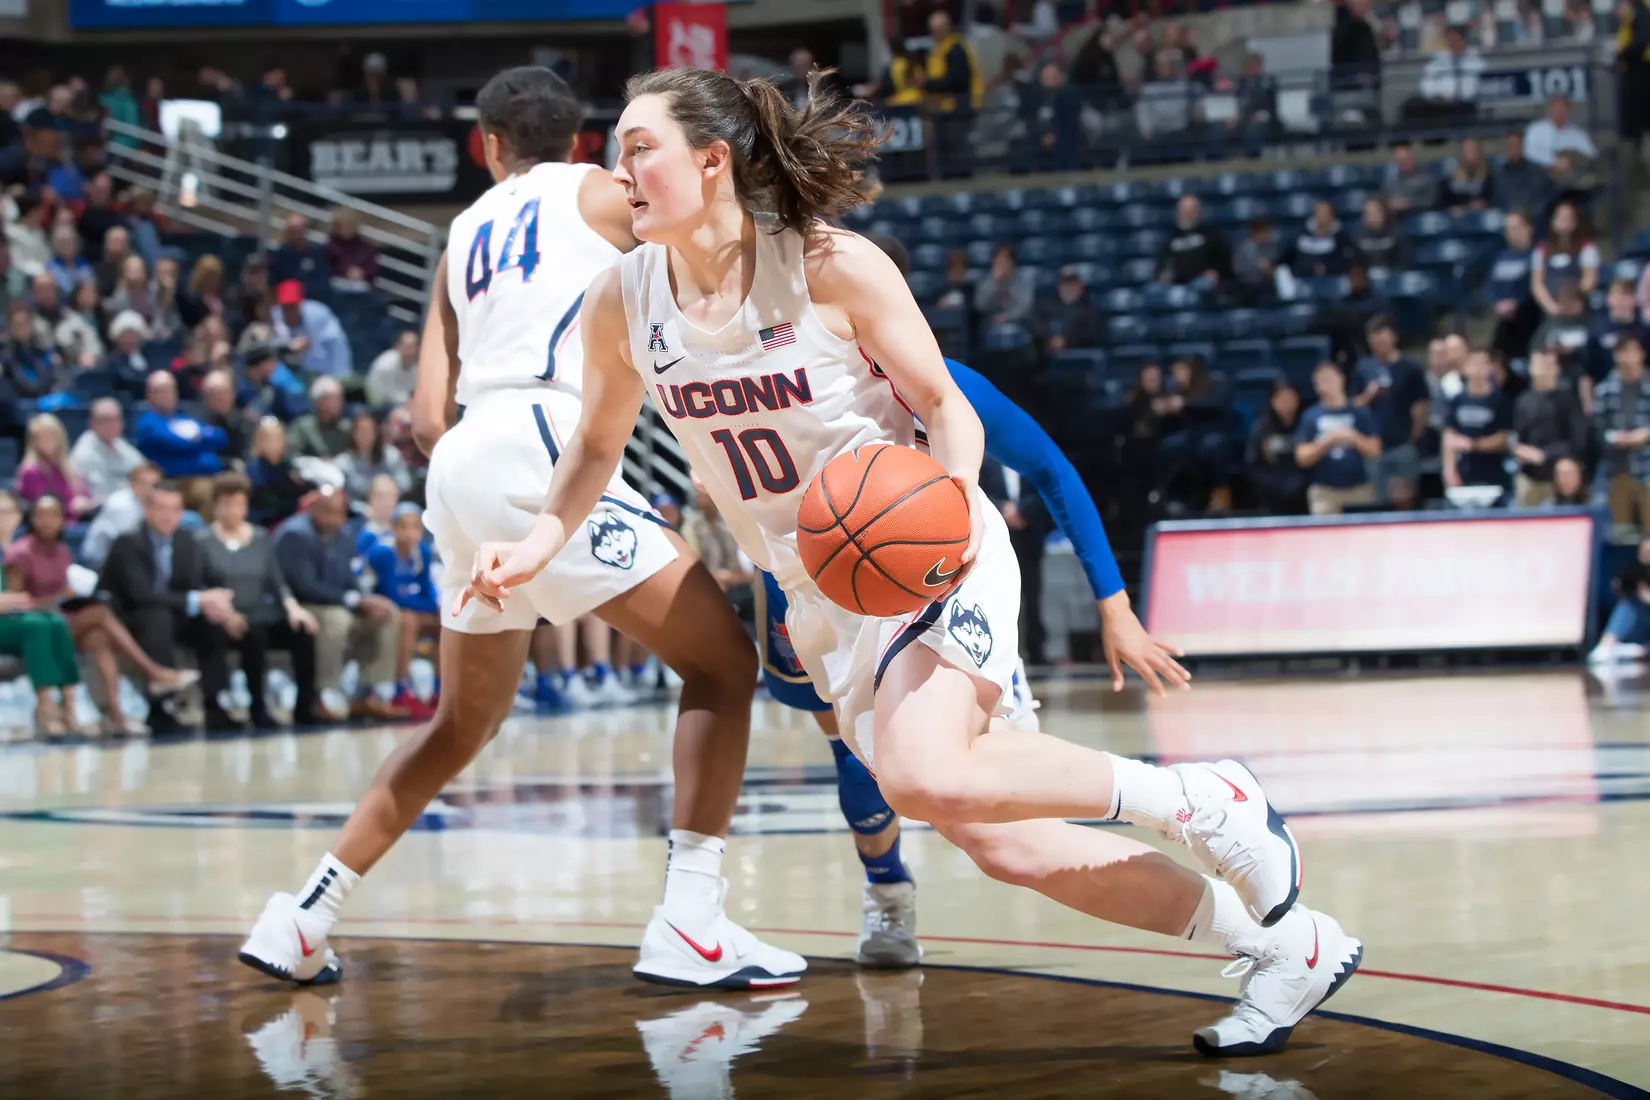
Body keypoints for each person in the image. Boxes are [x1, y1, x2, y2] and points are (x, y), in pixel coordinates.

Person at [461, 66, 1358, 1056]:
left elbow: (946, 407)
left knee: (920, 768)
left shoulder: (829, 264)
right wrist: (538, 541)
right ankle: (1286, 949)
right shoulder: (619, 303)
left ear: (712, 161)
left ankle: (1207, 799)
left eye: (639, 147)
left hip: (920, 545)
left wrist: (953, 509)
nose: (615, 168)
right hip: (818, 591)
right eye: (615, 148)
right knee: (1004, 840)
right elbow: (595, 445)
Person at [239, 67, 804, 996]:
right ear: (585, 140)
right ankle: (692, 922)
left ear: (486, 145)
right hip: (547, 444)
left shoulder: (460, 234)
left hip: (458, 464)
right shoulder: (599, 188)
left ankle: (305, 915)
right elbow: (699, 250)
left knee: (461, 723)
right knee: (722, 666)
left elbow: (424, 413)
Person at [14, 494, 196, 735]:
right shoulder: (20, 552)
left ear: (62, 520)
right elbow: (16, 602)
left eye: (54, 515)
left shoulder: (62, 551)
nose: (48, 521)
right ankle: (155, 672)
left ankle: (113, 716)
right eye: (42, 515)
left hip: (62, 619)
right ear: (32, 519)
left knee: (99, 638)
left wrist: (67, 596)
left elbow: (62, 590)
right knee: (100, 612)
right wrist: (45, 602)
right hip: (38, 627)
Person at [100, 480, 240, 732]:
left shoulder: (187, 542)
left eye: (175, 509)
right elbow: (140, 595)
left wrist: (219, 603)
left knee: (211, 620)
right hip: (129, 619)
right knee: (158, 617)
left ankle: (214, 704)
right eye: (162, 508)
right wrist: (198, 600)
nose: (168, 516)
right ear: (147, 509)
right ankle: (159, 707)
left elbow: (205, 580)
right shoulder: (128, 543)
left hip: (171, 614)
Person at [195, 472, 329, 729]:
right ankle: (258, 706)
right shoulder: (202, 541)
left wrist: (294, 609)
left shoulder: (260, 538)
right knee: (253, 634)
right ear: (216, 506)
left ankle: (305, 705)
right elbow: (199, 585)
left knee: (303, 631)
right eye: (227, 504)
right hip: (224, 616)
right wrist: (226, 615)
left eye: (238, 504)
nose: (233, 511)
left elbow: (277, 583)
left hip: (261, 611)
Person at [271, 487, 403, 721]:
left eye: (339, 513)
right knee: (336, 620)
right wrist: (354, 600)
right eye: (327, 512)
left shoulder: (344, 534)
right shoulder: (294, 534)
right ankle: (324, 694)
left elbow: (352, 576)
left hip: (339, 602)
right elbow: (305, 587)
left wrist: (367, 598)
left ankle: (368, 694)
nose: (333, 519)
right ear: (313, 509)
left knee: (388, 613)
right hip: (300, 607)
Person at [0, 489, 86, 736]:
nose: (3, 518)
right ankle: (44, 705)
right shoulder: (20, 552)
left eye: (8, 512)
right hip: (8, 620)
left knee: (56, 623)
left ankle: (67, 704)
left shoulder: (16, 548)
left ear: (19, 516)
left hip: (20, 615)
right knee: (38, 625)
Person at [363, 502, 440, 717]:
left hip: (408, 610)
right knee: (407, 620)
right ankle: (400, 691)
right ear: (393, 528)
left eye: (415, 527)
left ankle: (440, 691)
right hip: (377, 611)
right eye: (403, 526)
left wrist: (430, 608)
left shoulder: (422, 553)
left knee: (446, 622)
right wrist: (421, 605)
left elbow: (427, 594)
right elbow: (393, 596)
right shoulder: (382, 553)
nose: (410, 533)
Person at [1352, 316, 1429, 508]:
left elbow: (1421, 406)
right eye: (1374, 338)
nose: (1380, 342)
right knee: (1378, 502)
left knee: (1406, 499)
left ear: (1394, 337)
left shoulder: (1410, 367)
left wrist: (1411, 438)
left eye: (1383, 336)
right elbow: (1354, 406)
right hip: (1374, 448)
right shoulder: (1363, 368)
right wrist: (1369, 395)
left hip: (1402, 445)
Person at [1296, 360, 1382, 514]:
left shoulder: (1360, 413)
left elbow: (1375, 450)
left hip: (1358, 489)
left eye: (1330, 378)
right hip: (1325, 491)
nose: (1327, 384)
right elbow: (1302, 457)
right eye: (1321, 381)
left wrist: (1353, 438)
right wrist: (1327, 441)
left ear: (1341, 378)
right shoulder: (1310, 416)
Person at [1512, 348, 1590, 506]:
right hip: (1529, 476)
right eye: (1538, 364)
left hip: (1560, 477)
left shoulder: (1569, 401)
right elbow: (1518, 438)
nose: (1543, 369)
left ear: (1557, 369)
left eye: (1548, 364)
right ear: (1531, 368)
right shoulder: (1523, 401)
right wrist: (1518, 450)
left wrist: (1543, 454)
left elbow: (1578, 441)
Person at [1593, 333, 1650, 531]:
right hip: (1617, 470)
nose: (1627, 357)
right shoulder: (1604, 391)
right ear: (1616, 356)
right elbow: (1598, 430)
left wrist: (1646, 434)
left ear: (1642, 353)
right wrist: (1616, 438)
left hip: (1647, 467)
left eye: (1632, 350)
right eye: (1622, 351)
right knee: (1620, 534)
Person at [1443, 351, 1514, 499]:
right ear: (1466, 367)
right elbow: (1449, 436)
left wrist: (1473, 444)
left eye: (1482, 363)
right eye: (1473, 363)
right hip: (1464, 472)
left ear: (1489, 367)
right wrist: (1449, 470)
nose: (1477, 368)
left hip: (1494, 472)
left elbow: (1504, 438)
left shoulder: (1500, 399)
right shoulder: (1457, 400)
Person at [16, 412, 95, 521]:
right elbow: (42, 508)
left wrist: (83, 502)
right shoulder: (30, 471)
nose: (47, 441)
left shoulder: (69, 467)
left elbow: (86, 496)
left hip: (75, 524)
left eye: (51, 436)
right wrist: (71, 507)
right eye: (41, 437)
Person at [1247, 379, 1310, 515]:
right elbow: (1253, 464)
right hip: (1270, 493)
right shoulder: (1261, 428)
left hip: (1303, 491)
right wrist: (1273, 486)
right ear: (1272, 401)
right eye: (1282, 399)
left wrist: (1299, 484)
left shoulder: (1306, 425)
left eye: (1290, 398)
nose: (1286, 403)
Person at [1587, 536, 1650, 664]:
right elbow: (1619, 586)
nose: (1646, 556)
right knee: (1626, 606)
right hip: (1639, 614)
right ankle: (1608, 644)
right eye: (1644, 552)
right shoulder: (1633, 569)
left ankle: (1632, 650)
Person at [272, 280, 352, 380]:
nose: (288, 312)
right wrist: (288, 346)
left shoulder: (319, 314)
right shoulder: (275, 316)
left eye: (292, 306)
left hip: (324, 373)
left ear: (300, 303)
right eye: (285, 307)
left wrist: (341, 376)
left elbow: (337, 344)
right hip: (291, 376)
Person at [1531, 201, 1600, 317]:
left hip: (1578, 307)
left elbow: (1589, 278)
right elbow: (1537, 284)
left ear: (1576, 222)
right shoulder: (1541, 250)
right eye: (1560, 217)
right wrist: (1551, 306)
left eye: (1568, 217)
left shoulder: (1587, 248)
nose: (1564, 221)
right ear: (1552, 221)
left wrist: (1576, 299)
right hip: (1551, 309)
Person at [1487, 210, 1539, 360]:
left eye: (1516, 228)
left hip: (1530, 319)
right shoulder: (1500, 257)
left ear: (1529, 228)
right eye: (1508, 229)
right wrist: (1496, 303)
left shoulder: (1538, 254)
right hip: (1505, 322)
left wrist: (1517, 303)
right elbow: (1490, 286)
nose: (1511, 233)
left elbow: (1533, 285)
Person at [246, 417, 315, 527]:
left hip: (288, 518)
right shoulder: (254, 468)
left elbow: (301, 488)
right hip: (263, 521)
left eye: (277, 438)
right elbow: (266, 500)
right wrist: (296, 503)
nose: (273, 443)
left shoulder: (288, 466)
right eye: (267, 438)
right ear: (258, 441)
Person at [1156, 195, 1230, 289]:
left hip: (1201, 282)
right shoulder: (1171, 238)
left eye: (1191, 211)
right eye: (1184, 211)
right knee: (1153, 289)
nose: (1187, 214)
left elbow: (1225, 259)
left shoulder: (1210, 234)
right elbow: (1161, 263)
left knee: (1204, 285)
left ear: (1198, 212)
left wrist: (1216, 272)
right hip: (1175, 284)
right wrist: (1162, 275)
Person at [334, 410, 410, 500]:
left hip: (391, 503)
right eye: (361, 431)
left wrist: (385, 489)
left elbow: (404, 484)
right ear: (354, 434)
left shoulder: (391, 455)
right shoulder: (343, 462)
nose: (365, 435)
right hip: (357, 508)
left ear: (376, 433)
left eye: (369, 431)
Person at [1523, 95, 1598, 168]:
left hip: (1571, 175)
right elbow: (1528, 152)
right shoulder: (1535, 130)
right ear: (1549, 111)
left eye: (1563, 110)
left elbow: (1591, 156)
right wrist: (1553, 161)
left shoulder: (1578, 134)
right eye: (1557, 110)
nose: (1560, 114)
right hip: (1540, 173)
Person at [287, 376, 353, 459]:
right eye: (333, 399)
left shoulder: (347, 428)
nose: (338, 404)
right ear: (318, 402)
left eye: (340, 399)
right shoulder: (302, 427)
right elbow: (292, 456)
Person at [1350, 197, 1405, 276]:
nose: (1372, 216)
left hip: (1393, 279)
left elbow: (1404, 261)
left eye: (1376, 212)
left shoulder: (1397, 234)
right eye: (1368, 212)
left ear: (1384, 212)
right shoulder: (1356, 235)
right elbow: (1354, 262)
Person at [366, 330, 419, 407]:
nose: (412, 351)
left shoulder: (417, 366)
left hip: (402, 404)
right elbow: (394, 397)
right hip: (378, 405)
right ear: (398, 346)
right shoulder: (386, 366)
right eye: (407, 347)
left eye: (414, 346)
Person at [1442, 137, 1495, 213]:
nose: (1471, 154)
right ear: (1462, 152)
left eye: (1474, 150)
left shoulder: (1488, 176)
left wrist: (1483, 204)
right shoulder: (1450, 178)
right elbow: (1445, 202)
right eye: (1468, 150)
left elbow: (1493, 200)